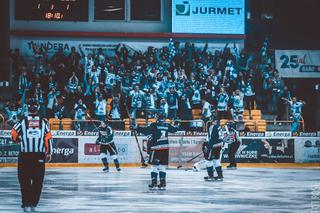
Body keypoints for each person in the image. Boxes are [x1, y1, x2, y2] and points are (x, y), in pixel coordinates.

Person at [11, 98, 53, 212]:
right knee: (38, 181)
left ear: (27, 108)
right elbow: (48, 137)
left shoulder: (22, 121)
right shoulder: (44, 122)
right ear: (37, 107)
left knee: (24, 180)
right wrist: (49, 153)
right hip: (38, 156)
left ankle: (26, 204)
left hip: (25, 156)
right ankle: (33, 204)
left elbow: (13, 134)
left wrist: (18, 139)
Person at [135, 112, 179, 190]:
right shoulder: (167, 125)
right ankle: (163, 183)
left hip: (156, 148)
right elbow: (174, 129)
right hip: (165, 149)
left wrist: (137, 127)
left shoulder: (154, 125)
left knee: (154, 166)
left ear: (157, 117)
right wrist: (177, 124)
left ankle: (154, 182)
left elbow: (146, 131)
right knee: (162, 166)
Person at [203, 116, 224, 181]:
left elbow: (212, 138)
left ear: (214, 121)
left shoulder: (212, 127)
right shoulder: (219, 127)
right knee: (216, 160)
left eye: (211, 120)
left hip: (213, 146)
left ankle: (211, 176)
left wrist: (208, 146)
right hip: (219, 146)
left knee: (208, 161)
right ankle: (220, 176)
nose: (210, 121)